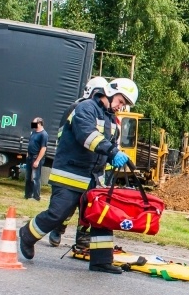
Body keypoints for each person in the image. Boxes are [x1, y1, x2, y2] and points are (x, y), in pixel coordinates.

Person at [18, 77, 138, 274]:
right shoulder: (85, 108)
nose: (120, 107)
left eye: (123, 104)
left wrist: (116, 158)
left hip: (92, 178)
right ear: (110, 91)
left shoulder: (112, 121)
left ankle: (101, 261)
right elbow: (87, 136)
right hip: (70, 173)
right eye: (120, 101)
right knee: (58, 214)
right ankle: (27, 235)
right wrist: (112, 152)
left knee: (101, 218)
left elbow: (106, 149)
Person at [47, 76, 111, 248]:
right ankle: (58, 230)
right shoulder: (77, 108)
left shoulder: (106, 115)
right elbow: (65, 136)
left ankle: (82, 239)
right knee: (66, 205)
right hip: (74, 165)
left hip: (95, 171)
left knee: (89, 208)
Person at [24, 117, 48, 201]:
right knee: (28, 177)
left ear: (40, 123)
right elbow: (30, 143)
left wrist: (37, 160)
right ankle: (28, 195)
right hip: (29, 156)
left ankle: (36, 196)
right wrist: (27, 153)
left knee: (35, 178)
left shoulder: (44, 134)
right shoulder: (33, 132)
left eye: (34, 123)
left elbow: (43, 148)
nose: (32, 125)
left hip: (36, 157)